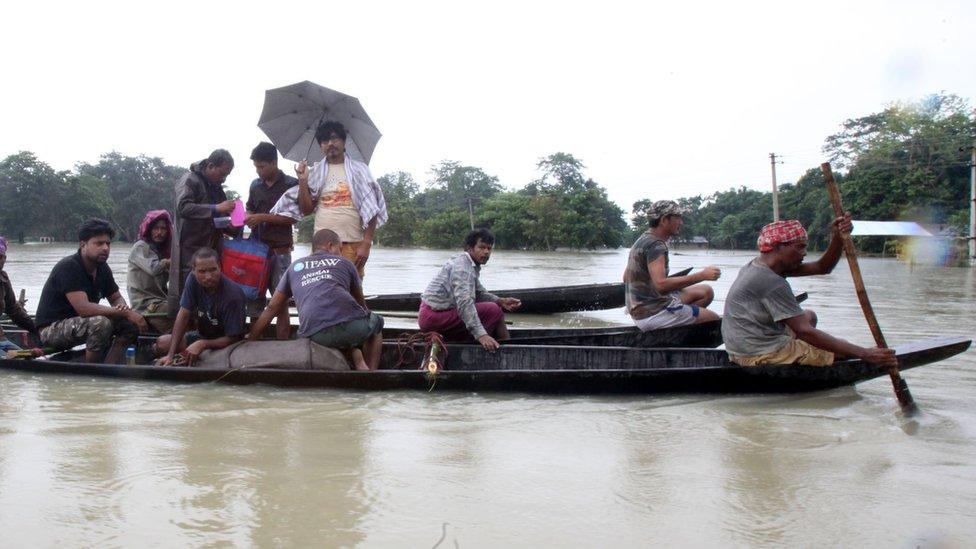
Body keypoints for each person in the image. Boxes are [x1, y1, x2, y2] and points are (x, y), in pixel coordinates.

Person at [722, 216, 898, 367]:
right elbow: (805, 331)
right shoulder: (770, 280)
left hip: (746, 344)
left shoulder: (762, 265)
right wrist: (864, 353)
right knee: (843, 348)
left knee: (809, 315)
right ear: (778, 247)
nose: (804, 253)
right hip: (759, 353)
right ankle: (800, 357)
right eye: (799, 247)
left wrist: (838, 238)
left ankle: (804, 353)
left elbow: (822, 267)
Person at [248, 229, 384, 371]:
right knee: (377, 324)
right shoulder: (345, 263)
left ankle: (352, 352)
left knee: (308, 335)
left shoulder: (294, 267)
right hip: (350, 329)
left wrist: (251, 339)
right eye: (340, 249)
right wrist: (367, 319)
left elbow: (272, 307)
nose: (341, 253)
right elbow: (360, 303)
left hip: (314, 336)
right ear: (330, 246)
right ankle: (371, 372)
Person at [270, 121, 387, 277]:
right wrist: (303, 180)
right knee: (322, 291)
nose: (330, 143)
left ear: (344, 141)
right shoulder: (315, 172)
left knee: (351, 292)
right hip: (321, 246)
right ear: (321, 146)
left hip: (352, 243)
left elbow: (372, 208)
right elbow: (306, 210)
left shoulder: (360, 170)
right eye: (325, 141)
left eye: (335, 138)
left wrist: (366, 243)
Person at [35, 219, 147, 363]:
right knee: (100, 323)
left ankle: (109, 365)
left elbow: (116, 298)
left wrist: (123, 309)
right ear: (83, 245)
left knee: (129, 324)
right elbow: (84, 309)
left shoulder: (102, 268)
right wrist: (124, 312)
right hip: (51, 330)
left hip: (82, 324)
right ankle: (91, 369)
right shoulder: (69, 267)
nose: (105, 248)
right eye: (99, 243)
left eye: (108, 243)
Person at [624, 200, 721, 331]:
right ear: (664, 220)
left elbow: (626, 277)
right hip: (652, 312)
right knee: (713, 320)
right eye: (677, 218)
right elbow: (661, 285)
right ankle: (676, 327)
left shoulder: (642, 239)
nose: (681, 222)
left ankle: (681, 322)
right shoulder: (656, 245)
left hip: (640, 308)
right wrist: (702, 275)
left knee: (706, 292)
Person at [418, 228, 521, 351]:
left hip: (438, 314)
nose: (486, 252)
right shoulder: (462, 267)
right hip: (433, 316)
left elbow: (479, 293)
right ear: (470, 248)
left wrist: (500, 301)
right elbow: (464, 303)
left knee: (495, 306)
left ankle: (500, 344)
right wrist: (481, 335)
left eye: (489, 248)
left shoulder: (469, 264)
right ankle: (508, 350)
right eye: (482, 248)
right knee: (493, 310)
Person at [167, 149, 239, 317]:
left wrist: (236, 222)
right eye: (222, 174)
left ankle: (208, 328)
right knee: (188, 290)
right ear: (211, 166)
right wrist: (217, 208)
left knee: (209, 291)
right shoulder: (189, 180)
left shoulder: (216, 187)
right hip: (189, 248)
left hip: (211, 247)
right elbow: (183, 207)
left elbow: (219, 218)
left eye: (227, 175)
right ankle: (185, 331)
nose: (224, 179)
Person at [244, 142, 299, 338]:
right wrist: (249, 216)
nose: (258, 171)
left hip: (280, 251)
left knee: (281, 301)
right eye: (256, 167)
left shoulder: (291, 184)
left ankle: (282, 343)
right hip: (256, 251)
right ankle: (253, 341)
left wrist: (261, 217)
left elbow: (293, 217)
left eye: (262, 166)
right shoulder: (255, 185)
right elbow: (250, 207)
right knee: (253, 298)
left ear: (274, 163)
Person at [156, 248, 246, 366]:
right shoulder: (192, 280)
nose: (208, 277)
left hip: (225, 342)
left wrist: (203, 344)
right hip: (202, 335)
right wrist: (170, 355)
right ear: (194, 270)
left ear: (220, 266)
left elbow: (234, 338)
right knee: (161, 343)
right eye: (202, 272)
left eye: (213, 270)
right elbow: (183, 315)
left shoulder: (233, 295)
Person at [127, 210, 173, 333]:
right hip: (144, 304)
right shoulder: (140, 247)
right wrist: (168, 262)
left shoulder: (164, 251)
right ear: (148, 229)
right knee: (177, 311)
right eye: (155, 228)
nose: (159, 232)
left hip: (161, 300)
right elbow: (154, 269)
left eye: (163, 229)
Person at [0, 236, 43, 356]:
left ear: (4, 259)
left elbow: (14, 310)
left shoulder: (3, 279)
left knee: (24, 358)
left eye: (0, 257)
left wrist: (36, 330)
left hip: (1, 339)